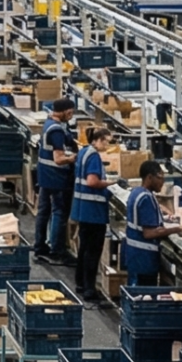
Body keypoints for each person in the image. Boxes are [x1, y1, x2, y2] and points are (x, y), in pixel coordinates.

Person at [68, 126, 111, 302]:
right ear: (99, 140)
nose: (108, 145)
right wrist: (111, 183)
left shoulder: (84, 152)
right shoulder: (93, 156)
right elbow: (92, 181)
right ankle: (89, 290)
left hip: (82, 209)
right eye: (107, 141)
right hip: (93, 211)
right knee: (92, 251)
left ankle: (80, 283)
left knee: (84, 249)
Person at [120, 160, 176, 289]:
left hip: (134, 257)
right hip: (143, 260)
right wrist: (177, 229)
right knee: (143, 296)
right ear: (149, 177)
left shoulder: (137, 192)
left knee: (135, 292)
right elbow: (149, 233)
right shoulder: (146, 198)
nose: (162, 182)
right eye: (160, 178)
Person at [35, 100, 77, 261]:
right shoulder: (56, 130)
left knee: (44, 211)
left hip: (45, 175)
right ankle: (57, 251)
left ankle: (40, 246)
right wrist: (74, 158)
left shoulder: (49, 123)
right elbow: (59, 159)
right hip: (55, 177)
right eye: (70, 113)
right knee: (59, 212)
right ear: (64, 111)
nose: (71, 116)